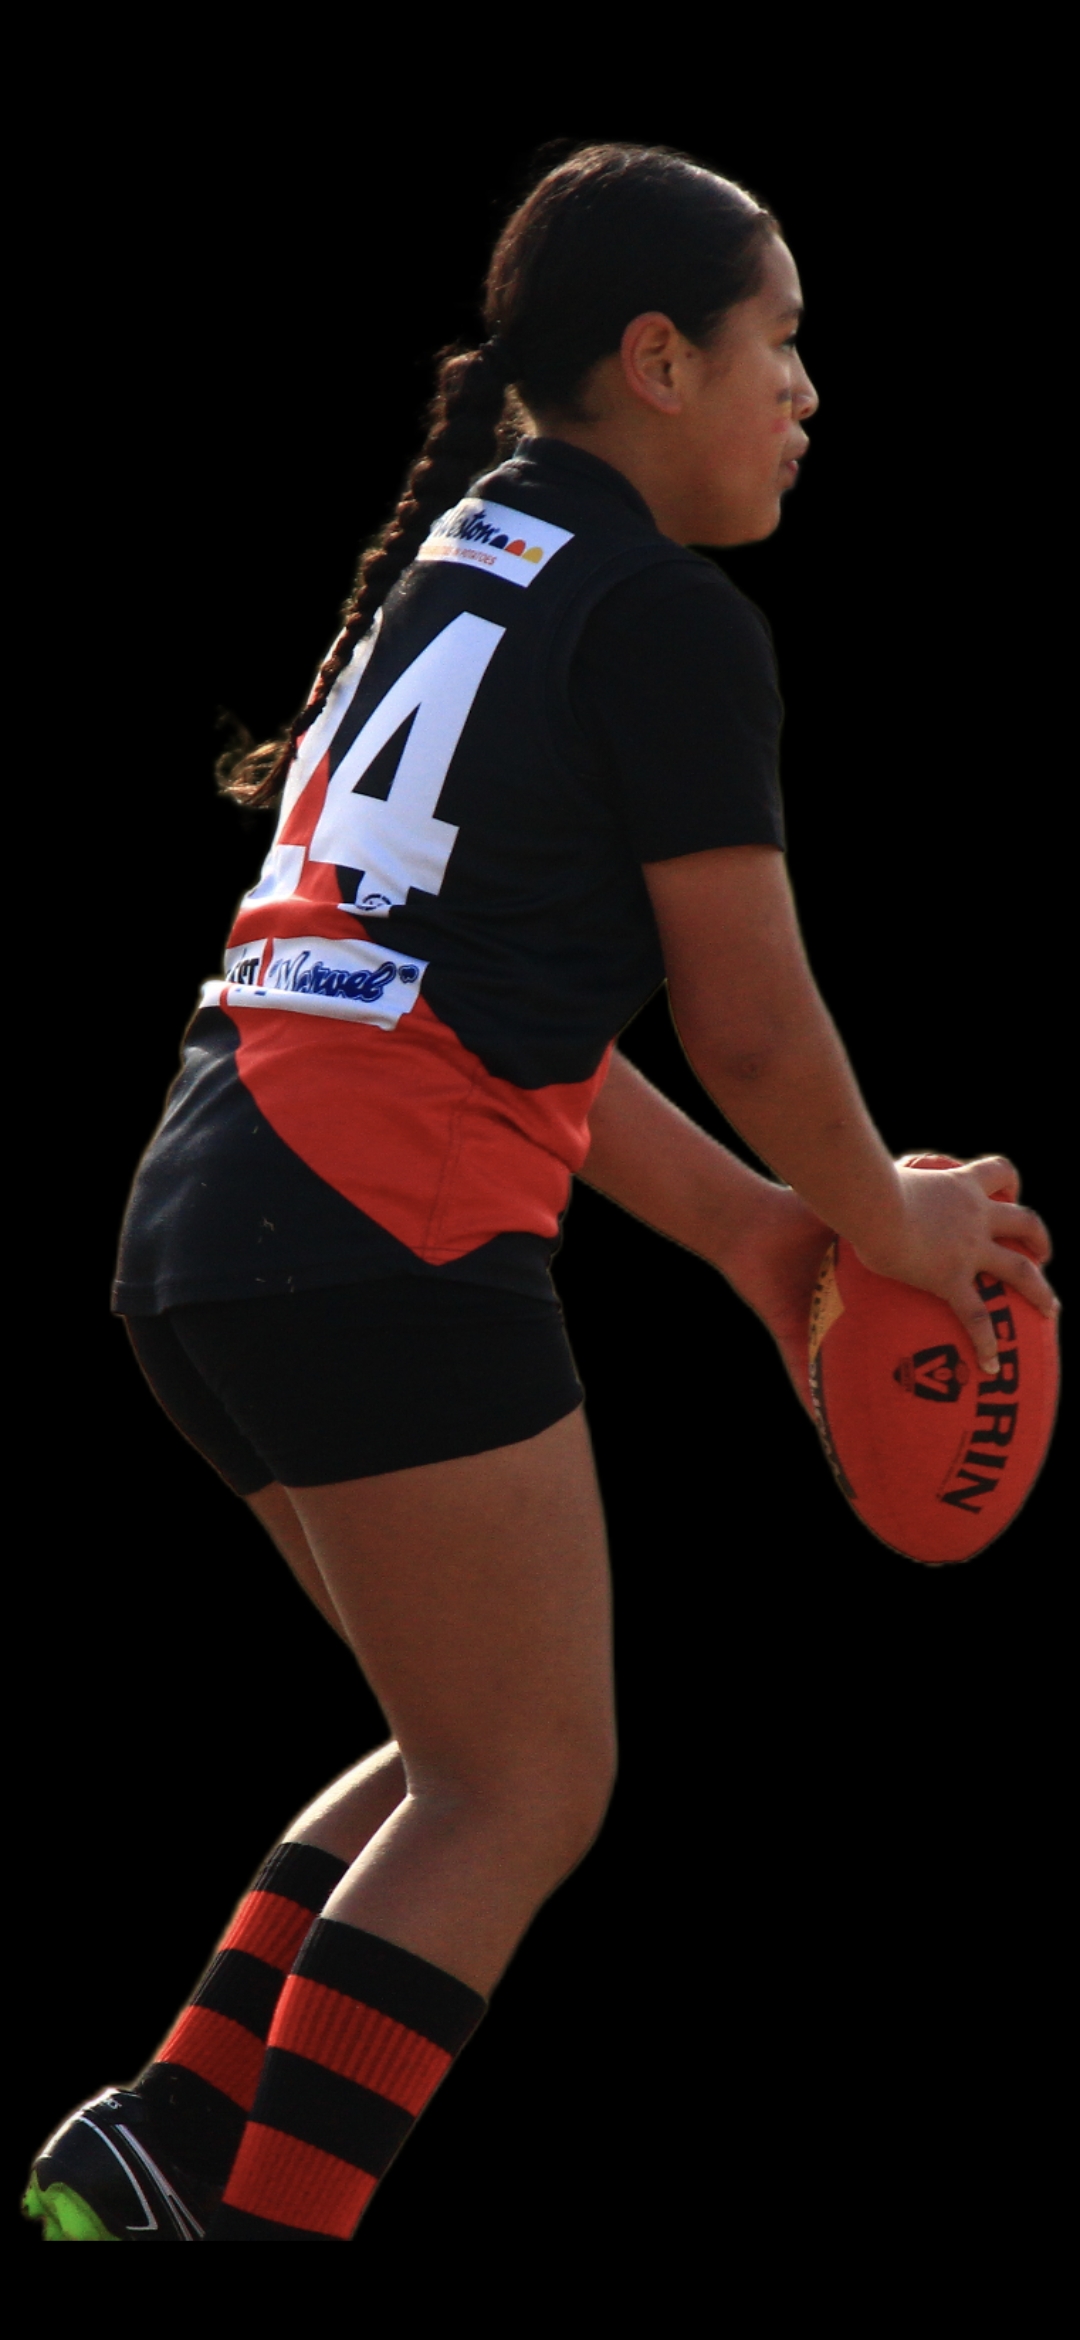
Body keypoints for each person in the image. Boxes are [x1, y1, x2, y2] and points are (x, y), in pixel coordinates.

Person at [24, 141, 1056, 2243]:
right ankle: (257, 2226)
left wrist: (766, 1235)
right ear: (657, 360)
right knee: (523, 1786)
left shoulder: (464, 557)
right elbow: (750, 1026)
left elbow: (511, 1023)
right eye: (781, 341)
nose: (808, 390)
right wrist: (892, 1222)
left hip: (207, 1225)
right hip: (370, 1233)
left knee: (456, 1756)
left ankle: (151, 2154)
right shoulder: (671, 617)